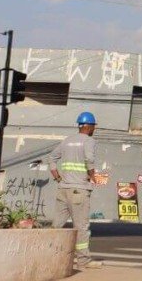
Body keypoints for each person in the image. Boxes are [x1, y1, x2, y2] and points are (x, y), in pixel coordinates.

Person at [49, 112, 102, 271]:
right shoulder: (89, 141)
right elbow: (89, 159)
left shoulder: (67, 141)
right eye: (93, 126)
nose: (94, 129)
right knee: (81, 227)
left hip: (63, 189)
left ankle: (49, 253)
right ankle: (83, 260)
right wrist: (93, 177)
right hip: (79, 190)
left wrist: (57, 177)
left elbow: (52, 158)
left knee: (56, 225)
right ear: (89, 126)